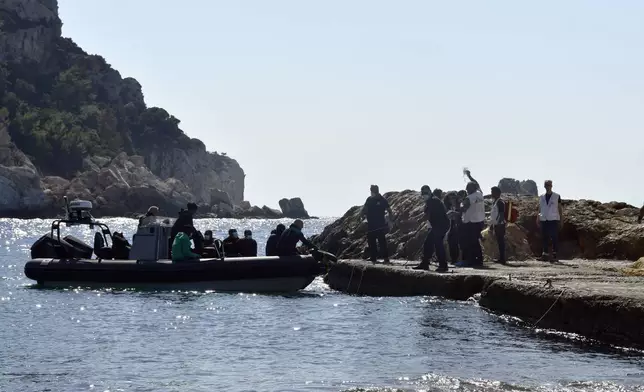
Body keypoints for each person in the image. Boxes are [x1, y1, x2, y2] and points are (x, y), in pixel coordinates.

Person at [414, 185, 449, 272]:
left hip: (441, 225)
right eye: (423, 193)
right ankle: (425, 263)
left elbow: (427, 215)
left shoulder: (433, 200)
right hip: (436, 225)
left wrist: (419, 220)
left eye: (426, 192)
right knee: (428, 243)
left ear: (430, 191)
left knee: (438, 244)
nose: (424, 194)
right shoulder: (430, 201)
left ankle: (443, 265)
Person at [360, 184, 394, 263]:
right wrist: (362, 216)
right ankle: (373, 257)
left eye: (372, 191)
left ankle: (386, 258)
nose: (371, 193)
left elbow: (389, 210)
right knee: (371, 241)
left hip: (380, 224)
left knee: (382, 241)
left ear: (374, 191)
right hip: (371, 224)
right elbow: (364, 209)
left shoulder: (382, 200)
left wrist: (390, 220)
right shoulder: (369, 199)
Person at [537, 180, 563, 262]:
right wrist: (538, 218)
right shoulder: (541, 197)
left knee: (554, 237)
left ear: (551, 186)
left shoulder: (556, 196)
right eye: (546, 185)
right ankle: (545, 254)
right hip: (544, 219)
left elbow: (559, 208)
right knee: (544, 237)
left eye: (549, 185)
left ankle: (555, 255)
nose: (548, 186)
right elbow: (540, 208)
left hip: (553, 219)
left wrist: (561, 219)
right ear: (544, 186)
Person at [461, 180, 486, 267]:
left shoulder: (470, 197)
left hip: (471, 222)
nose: (466, 189)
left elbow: (464, 208)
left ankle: (473, 260)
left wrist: (457, 208)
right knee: (475, 241)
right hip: (479, 221)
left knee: (471, 242)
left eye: (468, 187)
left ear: (471, 188)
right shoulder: (480, 194)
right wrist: (470, 176)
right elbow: (477, 184)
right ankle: (478, 259)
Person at [443, 191, 462, 263]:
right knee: (451, 241)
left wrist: (455, 213)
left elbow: (462, 213)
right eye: (450, 199)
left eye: (453, 198)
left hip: (459, 225)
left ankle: (458, 258)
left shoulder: (459, 205)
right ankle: (453, 259)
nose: (452, 200)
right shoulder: (448, 207)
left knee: (457, 242)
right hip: (452, 225)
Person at [489, 186, 506, 264]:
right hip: (496, 224)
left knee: (501, 241)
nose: (491, 193)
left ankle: (502, 258)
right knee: (499, 242)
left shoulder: (500, 202)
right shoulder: (495, 202)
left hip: (500, 225)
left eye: (492, 192)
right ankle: (501, 258)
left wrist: (499, 224)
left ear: (497, 193)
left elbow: (501, 215)